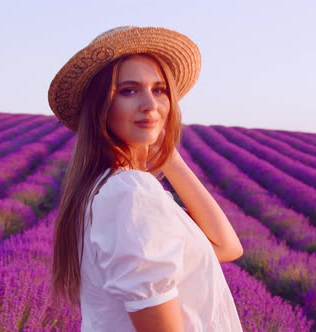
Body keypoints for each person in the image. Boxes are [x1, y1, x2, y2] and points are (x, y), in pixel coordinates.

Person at [48, 26, 243, 331]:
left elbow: (227, 246)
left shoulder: (111, 189)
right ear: (101, 105)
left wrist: (171, 159)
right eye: (128, 90)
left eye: (159, 90)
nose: (150, 105)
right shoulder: (131, 194)